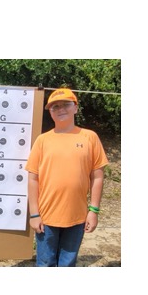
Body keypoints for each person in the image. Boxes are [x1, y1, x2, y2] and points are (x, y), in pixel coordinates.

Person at [25, 88, 108, 267]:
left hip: (77, 217)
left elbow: (98, 177)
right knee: (45, 263)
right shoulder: (42, 140)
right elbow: (33, 178)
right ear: (50, 112)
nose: (60, 109)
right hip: (46, 218)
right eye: (55, 107)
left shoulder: (89, 138)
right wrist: (34, 214)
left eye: (66, 104)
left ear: (76, 108)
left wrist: (93, 211)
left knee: (68, 263)